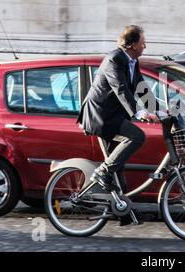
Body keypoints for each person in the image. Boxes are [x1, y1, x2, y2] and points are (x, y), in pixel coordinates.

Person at [77, 25, 158, 225]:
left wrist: (158, 110)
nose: (145, 46)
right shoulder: (115, 59)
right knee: (137, 136)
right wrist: (138, 112)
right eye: (142, 42)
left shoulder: (132, 61)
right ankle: (102, 172)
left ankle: (124, 212)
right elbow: (121, 88)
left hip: (114, 116)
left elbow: (140, 86)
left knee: (118, 166)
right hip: (101, 116)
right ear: (131, 44)